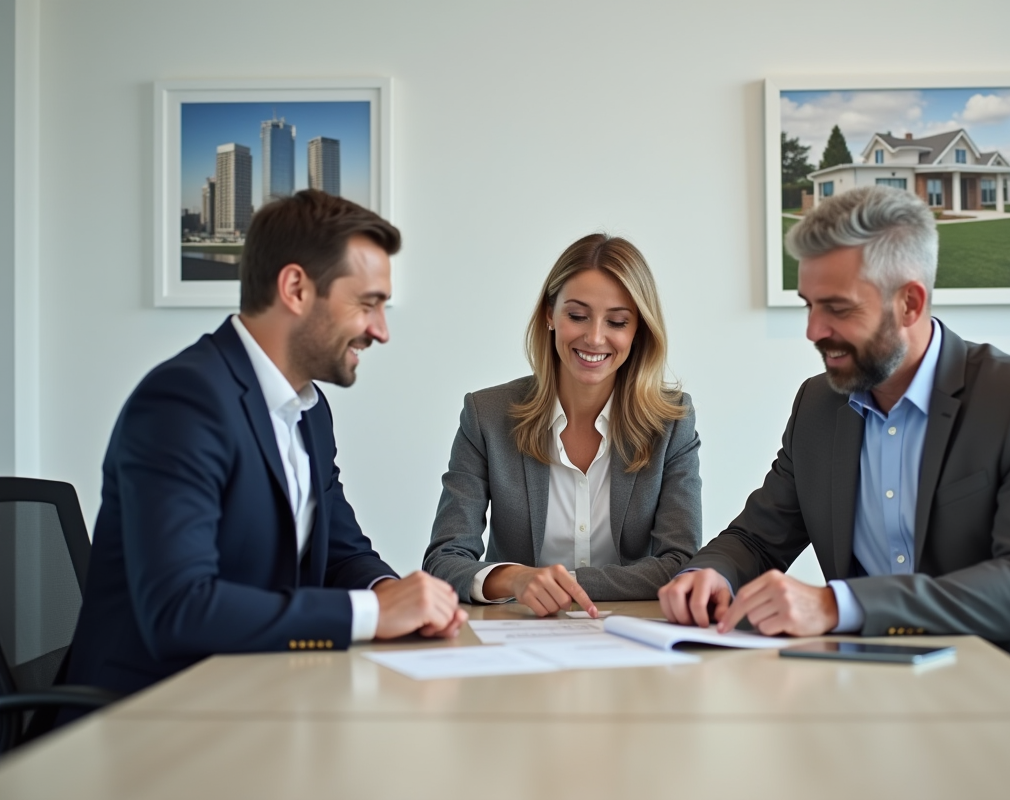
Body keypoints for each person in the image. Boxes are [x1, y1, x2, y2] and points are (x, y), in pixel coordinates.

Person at [658, 186, 1010, 709]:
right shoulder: (819, 405)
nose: (814, 331)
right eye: (809, 306)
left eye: (837, 308)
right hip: (875, 688)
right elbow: (758, 537)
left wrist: (838, 606)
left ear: (910, 302)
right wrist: (706, 574)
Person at [68, 190, 467, 697]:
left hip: (256, 692)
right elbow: (179, 609)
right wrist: (371, 613)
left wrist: (390, 593)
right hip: (148, 717)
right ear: (296, 288)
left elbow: (341, 555)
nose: (381, 331)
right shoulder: (184, 402)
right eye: (368, 304)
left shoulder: (309, 411)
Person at [423, 233, 701, 616]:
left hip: (630, 637)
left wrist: (564, 584)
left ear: (638, 332)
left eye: (618, 321)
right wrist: (516, 579)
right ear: (549, 316)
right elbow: (445, 559)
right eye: (577, 315)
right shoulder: (486, 414)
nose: (595, 337)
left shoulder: (671, 422)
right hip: (517, 633)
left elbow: (680, 562)